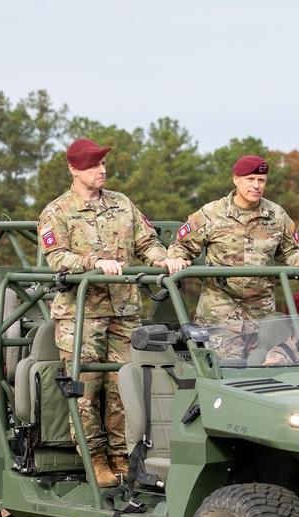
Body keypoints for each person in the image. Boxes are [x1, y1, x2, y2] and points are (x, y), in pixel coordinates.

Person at [38, 138, 186, 488]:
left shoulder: (122, 204)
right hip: (81, 316)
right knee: (85, 390)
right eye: (92, 165)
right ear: (74, 170)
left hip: (123, 309)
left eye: (103, 164)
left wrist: (161, 259)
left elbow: (146, 241)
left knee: (124, 386)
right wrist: (93, 262)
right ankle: (96, 458)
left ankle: (123, 455)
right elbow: (57, 257)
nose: (101, 170)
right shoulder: (56, 212)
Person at [166, 155, 299, 357]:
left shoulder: (276, 215)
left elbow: (291, 249)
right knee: (226, 377)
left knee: (266, 379)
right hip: (220, 320)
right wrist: (177, 258)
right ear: (236, 179)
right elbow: (181, 246)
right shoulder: (212, 213)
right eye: (250, 179)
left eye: (261, 181)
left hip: (262, 319)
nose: (256, 186)